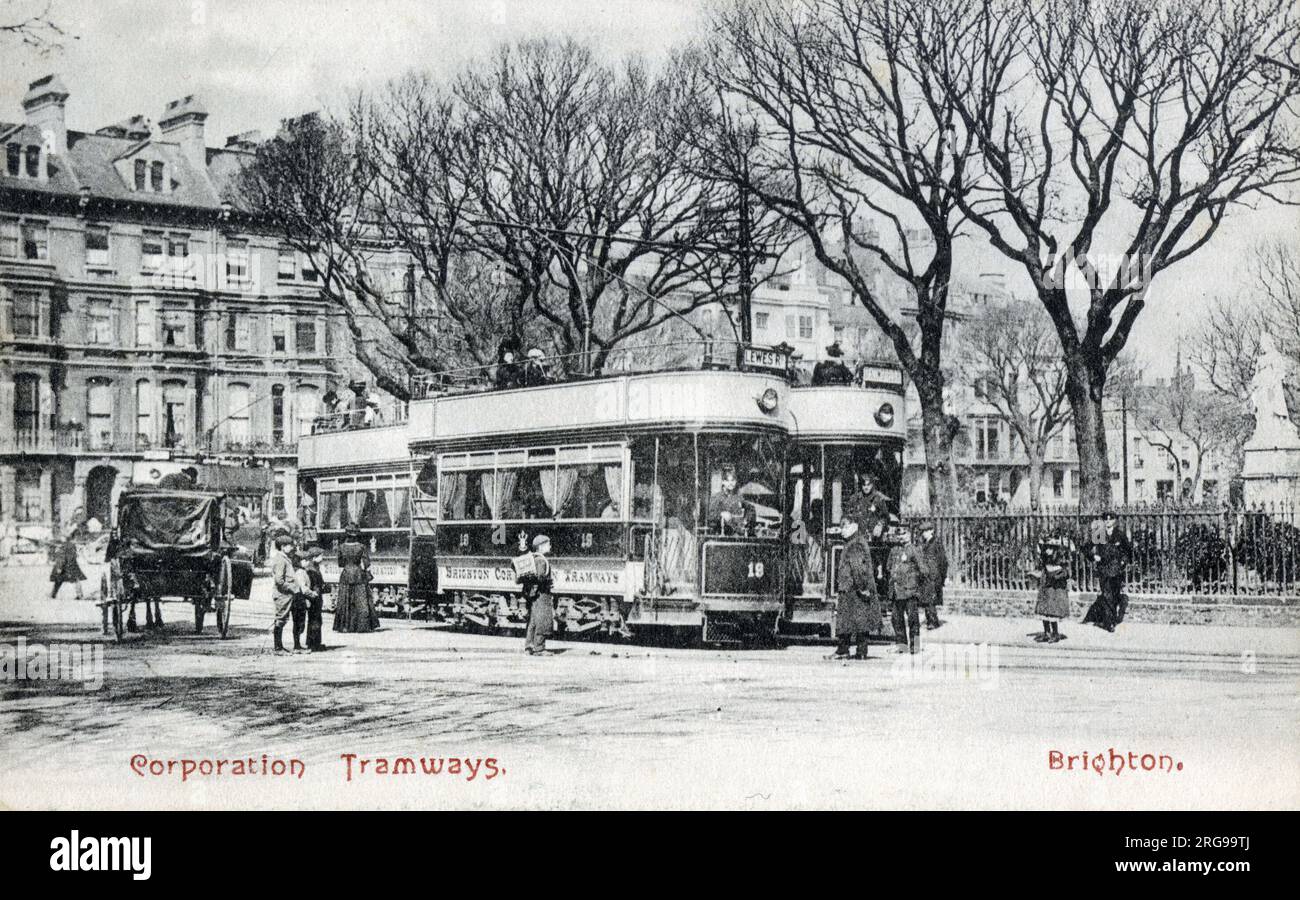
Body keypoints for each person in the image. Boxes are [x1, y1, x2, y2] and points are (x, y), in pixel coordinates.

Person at [829, 520, 881, 660]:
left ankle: (843, 650)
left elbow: (858, 568)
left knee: (846, 621)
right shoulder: (857, 541)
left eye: (844, 527)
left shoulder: (855, 544)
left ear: (853, 526)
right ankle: (861, 651)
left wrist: (862, 587)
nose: (842, 531)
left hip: (852, 588)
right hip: (855, 587)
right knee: (860, 620)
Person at [1087, 511, 1132, 632]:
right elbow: (1087, 547)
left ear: (1114, 521)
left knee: (1115, 594)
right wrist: (1093, 557)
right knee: (1106, 595)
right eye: (1105, 519)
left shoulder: (1120, 534)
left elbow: (1128, 551)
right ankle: (1109, 622)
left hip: (1117, 570)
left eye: (1110, 519)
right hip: (1104, 569)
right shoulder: (1099, 534)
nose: (1107, 521)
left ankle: (1111, 619)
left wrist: (1123, 561)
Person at [333, 523, 379, 633]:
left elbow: (340, 563)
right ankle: (362, 626)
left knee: (345, 600)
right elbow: (366, 563)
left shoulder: (341, 547)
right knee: (361, 600)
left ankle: (345, 626)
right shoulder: (361, 547)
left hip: (346, 575)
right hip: (358, 575)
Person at [887, 526, 924, 654]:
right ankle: (901, 645)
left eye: (903, 534)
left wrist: (915, 584)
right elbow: (889, 567)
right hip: (897, 590)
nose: (901, 537)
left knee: (913, 619)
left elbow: (923, 570)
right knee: (896, 619)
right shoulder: (894, 550)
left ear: (909, 535)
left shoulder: (914, 550)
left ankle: (916, 646)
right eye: (899, 535)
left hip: (909, 591)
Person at [520, 534, 555, 655]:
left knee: (533, 621)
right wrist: (548, 581)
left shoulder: (534, 558)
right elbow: (540, 577)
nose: (550, 546)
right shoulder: (541, 560)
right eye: (548, 543)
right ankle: (539, 648)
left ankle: (529, 647)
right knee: (543, 620)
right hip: (542, 594)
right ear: (541, 546)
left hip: (534, 594)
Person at [1034, 531, 1071, 643]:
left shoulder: (1061, 556)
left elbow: (1066, 572)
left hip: (1055, 587)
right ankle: (1046, 632)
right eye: (1046, 547)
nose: (1047, 550)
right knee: (1044, 608)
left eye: (1050, 547)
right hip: (1046, 584)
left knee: (1053, 609)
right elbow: (1041, 568)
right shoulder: (1044, 556)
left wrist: (1056, 575)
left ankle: (1055, 633)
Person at [916, 521, 948, 630]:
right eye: (923, 531)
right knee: (927, 599)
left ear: (932, 531)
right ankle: (931, 620)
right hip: (926, 576)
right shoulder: (924, 543)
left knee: (930, 600)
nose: (924, 533)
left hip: (934, 576)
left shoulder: (936, 543)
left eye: (926, 531)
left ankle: (933, 621)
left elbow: (943, 561)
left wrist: (942, 577)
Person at [269, 534, 297, 654]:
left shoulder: (283, 558)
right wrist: (292, 588)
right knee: (280, 619)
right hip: (283, 594)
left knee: (283, 619)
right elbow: (279, 580)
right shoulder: (280, 559)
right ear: (283, 546)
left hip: (286, 594)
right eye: (290, 545)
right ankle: (278, 647)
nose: (291, 548)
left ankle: (279, 646)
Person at [843, 472, 891, 538]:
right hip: (857, 537)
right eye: (864, 485)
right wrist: (846, 524)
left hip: (874, 537)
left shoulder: (878, 499)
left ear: (872, 485)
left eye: (868, 485)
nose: (866, 487)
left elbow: (886, 517)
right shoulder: (855, 498)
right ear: (861, 486)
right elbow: (846, 514)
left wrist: (880, 525)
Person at [301, 544, 328, 651]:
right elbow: (313, 584)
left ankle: (315, 642)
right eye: (320, 556)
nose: (322, 558)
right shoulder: (311, 570)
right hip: (314, 597)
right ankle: (314, 644)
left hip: (316, 596)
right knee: (315, 620)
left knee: (316, 620)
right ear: (314, 557)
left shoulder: (314, 567)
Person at [707, 466, 748, 535]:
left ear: (736, 482)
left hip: (737, 534)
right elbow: (711, 516)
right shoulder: (717, 497)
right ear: (723, 482)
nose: (730, 483)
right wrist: (721, 514)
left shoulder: (739, 498)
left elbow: (746, 512)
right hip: (720, 533)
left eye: (733, 480)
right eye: (727, 480)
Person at [49, 533, 85, 601]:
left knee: (58, 581)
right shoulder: (72, 545)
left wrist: (59, 567)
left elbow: (61, 558)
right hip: (72, 565)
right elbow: (73, 555)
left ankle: (53, 594)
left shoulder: (63, 546)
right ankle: (80, 595)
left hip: (64, 567)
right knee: (76, 580)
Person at [289, 549, 311, 653]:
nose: (308, 562)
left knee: (297, 622)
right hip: (300, 599)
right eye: (306, 560)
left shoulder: (295, 570)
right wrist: (312, 594)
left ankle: (297, 645)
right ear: (301, 561)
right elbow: (303, 588)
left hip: (296, 599)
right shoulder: (301, 572)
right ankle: (297, 646)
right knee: (299, 623)